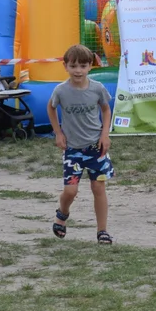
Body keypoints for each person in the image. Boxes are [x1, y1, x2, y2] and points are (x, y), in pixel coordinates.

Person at [47, 44, 114, 245]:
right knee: (70, 191)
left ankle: (102, 231)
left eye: (83, 66)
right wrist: (58, 133)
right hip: (72, 149)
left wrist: (105, 135)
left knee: (98, 187)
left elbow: (106, 110)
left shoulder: (97, 88)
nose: (78, 70)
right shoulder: (61, 90)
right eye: (74, 66)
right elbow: (51, 109)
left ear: (90, 67)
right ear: (65, 66)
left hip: (96, 148)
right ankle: (62, 214)